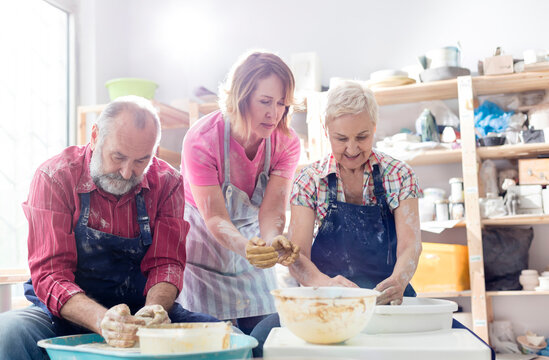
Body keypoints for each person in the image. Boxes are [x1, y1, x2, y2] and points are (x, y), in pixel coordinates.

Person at [250, 81, 495, 360]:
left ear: (374, 128)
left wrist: (399, 279)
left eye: (362, 137)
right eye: (341, 139)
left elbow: (410, 246)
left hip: (388, 299)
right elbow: (298, 257)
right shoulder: (309, 180)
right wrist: (326, 285)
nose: (352, 148)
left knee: (477, 352)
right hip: (328, 302)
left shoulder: (399, 174)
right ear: (326, 131)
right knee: (259, 340)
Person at [0, 96, 217, 360]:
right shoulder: (55, 176)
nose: (127, 173)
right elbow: (50, 274)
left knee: (218, 336)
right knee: (9, 332)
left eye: (141, 161)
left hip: (139, 313)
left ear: (154, 151)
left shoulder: (168, 182)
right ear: (94, 136)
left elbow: (167, 263)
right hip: (63, 312)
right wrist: (102, 320)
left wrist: (153, 310)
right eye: (118, 157)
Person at [176, 51, 301, 334]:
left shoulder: (286, 142)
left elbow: (272, 210)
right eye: (265, 102)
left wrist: (272, 241)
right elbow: (216, 218)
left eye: (282, 104)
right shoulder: (202, 140)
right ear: (240, 97)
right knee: (217, 345)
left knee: (265, 339)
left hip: (254, 258)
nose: (274, 113)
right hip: (203, 257)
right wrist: (245, 247)